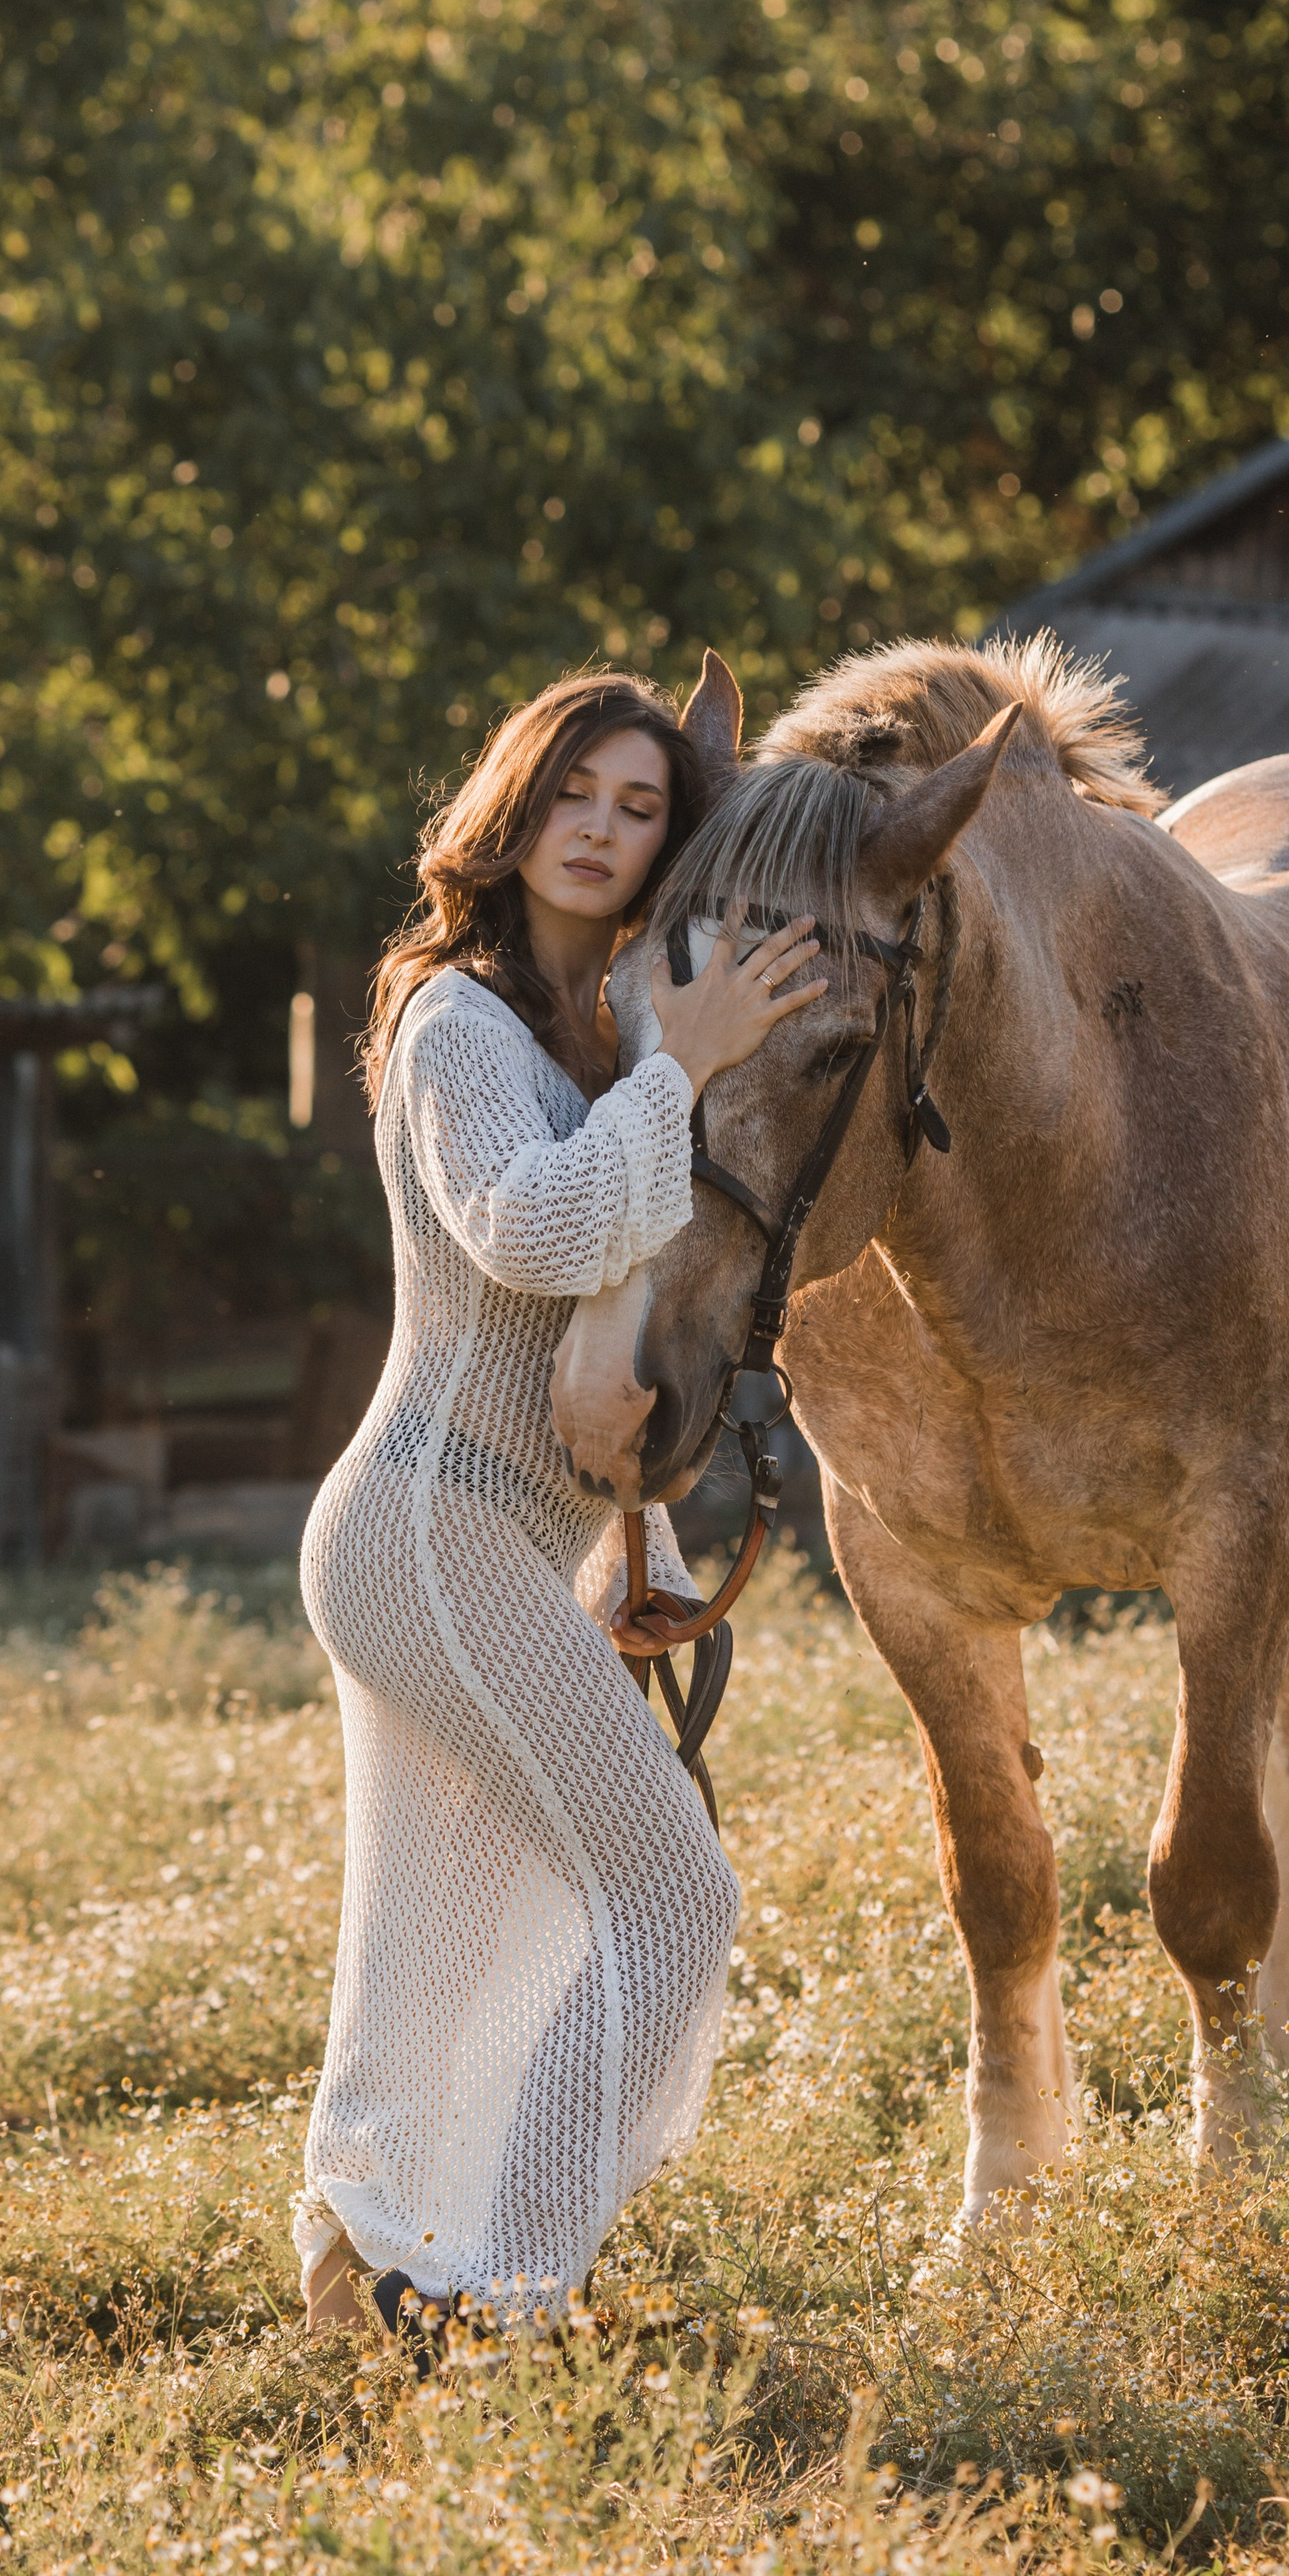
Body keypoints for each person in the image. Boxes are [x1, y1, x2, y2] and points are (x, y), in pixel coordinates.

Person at [294, 660, 827, 2344]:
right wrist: (683, 1066)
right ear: (513, 810)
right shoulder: (453, 1015)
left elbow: (613, 1322)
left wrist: (646, 1550)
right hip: (421, 1527)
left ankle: (353, 2261)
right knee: (672, 1896)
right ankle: (510, 2307)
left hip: (497, 1541)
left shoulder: (595, 1027)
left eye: (640, 806)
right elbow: (532, 1234)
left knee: (447, 1930)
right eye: (574, 795)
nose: (600, 830)